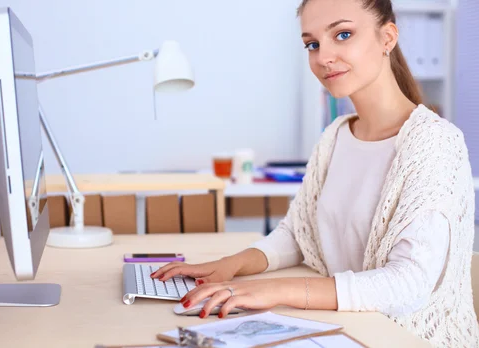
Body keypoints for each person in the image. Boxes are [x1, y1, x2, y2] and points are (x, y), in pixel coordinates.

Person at [151, 0, 479, 346]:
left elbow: (408, 284)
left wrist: (275, 290)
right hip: (344, 331)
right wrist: (229, 267)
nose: (323, 57)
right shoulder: (335, 136)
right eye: (312, 44)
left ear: (388, 37)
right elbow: (298, 235)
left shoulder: (435, 142)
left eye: (343, 34)